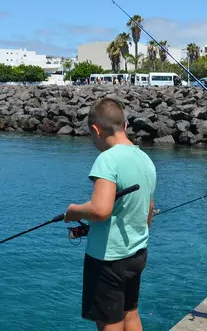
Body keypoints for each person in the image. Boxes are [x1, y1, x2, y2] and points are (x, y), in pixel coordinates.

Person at [65, 98, 157, 331]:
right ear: (125, 125)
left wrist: (73, 211)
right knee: (130, 313)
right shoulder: (144, 159)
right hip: (137, 252)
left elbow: (100, 210)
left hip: (108, 259)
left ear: (96, 130)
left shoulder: (107, 159)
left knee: (110, 322)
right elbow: (148, 210)